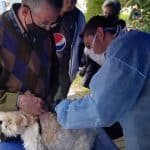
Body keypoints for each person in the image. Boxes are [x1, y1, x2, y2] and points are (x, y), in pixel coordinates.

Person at [55, 15, 150, 150]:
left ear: (99, 33)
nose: (90, 52)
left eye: (89, 46)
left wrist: (62, 110)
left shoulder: (126, 51)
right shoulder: (136, 40)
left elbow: (103, 108)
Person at [0, 0, 62, 149]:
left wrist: (48, 101)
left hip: (42, 127)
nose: (49, 29)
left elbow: (53, 71)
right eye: (44, 23)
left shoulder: (46, 32)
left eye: (52, 23)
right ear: (25, 12)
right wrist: (19, 101)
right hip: (11, 133)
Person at [51, 0, 86, 102]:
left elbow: (80, 44)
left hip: (64, 68)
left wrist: (76, 68)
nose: (70, 2)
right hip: (45, 66)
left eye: (74, 0)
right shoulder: (48, 7)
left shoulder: (78, 17)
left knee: (59, 100)